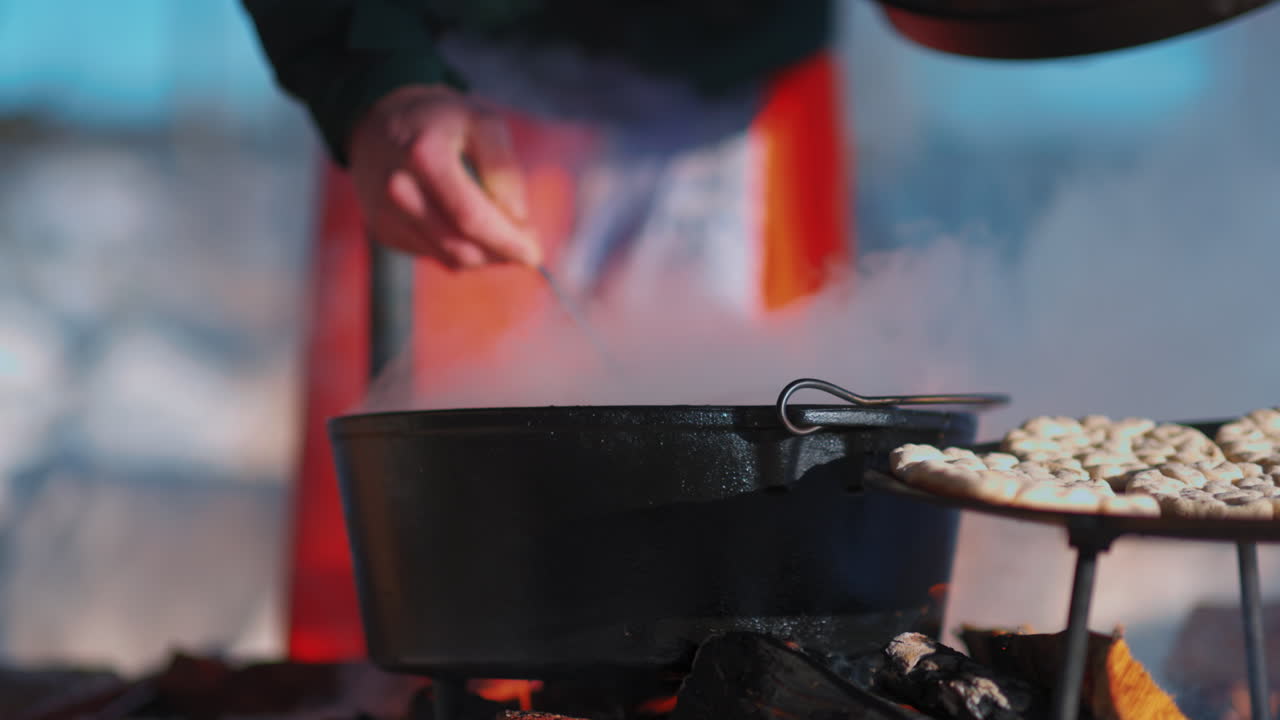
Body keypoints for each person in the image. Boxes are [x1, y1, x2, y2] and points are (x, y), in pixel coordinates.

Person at [241, 0, 851, 661]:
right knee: (434, 570)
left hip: (741, 72)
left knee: (754, 595)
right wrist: (371, 71)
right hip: (440, 84)